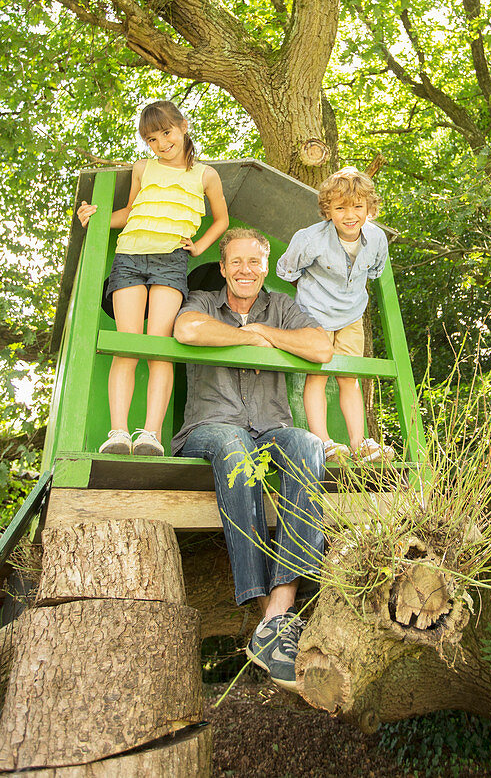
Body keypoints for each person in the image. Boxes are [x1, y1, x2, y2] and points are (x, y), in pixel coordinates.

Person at [172, 228, 333, 691]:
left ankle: (277, 615)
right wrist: (251, 340)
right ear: (223, 268)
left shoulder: (280, 306)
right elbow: (186, 329)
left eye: (255, 262)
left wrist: (261, 331)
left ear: (266, 266)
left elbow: (320, 348)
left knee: (307, 444)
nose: (246, 270)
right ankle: (269, 617)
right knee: (234, 449)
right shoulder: (201, 300)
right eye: (236, 262)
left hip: (272, 428)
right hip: (212, 427)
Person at [77, 100, 229, 456]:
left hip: (171, 260)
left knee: (160, 346)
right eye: (152, 138)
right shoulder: (143, 168)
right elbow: (130, 212)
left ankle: (150, 435)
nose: (162, 143)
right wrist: (96, 216)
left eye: (166, 132)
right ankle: (117, 433)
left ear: (183, 126)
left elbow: (221, 219)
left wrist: (199, 245)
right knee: (127, 345)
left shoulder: (205, 175)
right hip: (129, 256)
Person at [276, 167, 393, 462]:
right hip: (315, 312)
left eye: (357, 206)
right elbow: (286, 269)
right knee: (317, 375)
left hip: (352, 314)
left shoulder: (377, 239)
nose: (349, 214)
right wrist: (311, 292)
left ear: (370, 209)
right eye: (340, 207)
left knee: (349, 377)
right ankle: (323, 441)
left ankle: (358, 443)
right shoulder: (310, 239)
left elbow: (375, 271)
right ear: (328, 210)